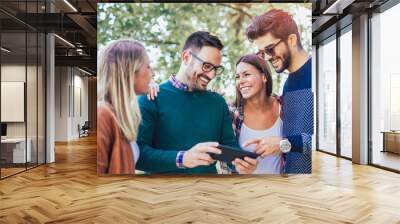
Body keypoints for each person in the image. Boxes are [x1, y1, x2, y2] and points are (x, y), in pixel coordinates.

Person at [136, 31, 258, 174]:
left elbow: (230, 148)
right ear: (186, 57)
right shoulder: (151, 97)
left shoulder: (217, 103)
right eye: (207, 66)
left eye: (216, 69)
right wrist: (183, 158)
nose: (211, 75)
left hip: (209, 193)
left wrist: (241, 164)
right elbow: (138, 156)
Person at [245, 9, 313, 173]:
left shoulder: (317, 74)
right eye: (262, 53)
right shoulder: (287, 85)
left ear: (291, 39)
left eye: (269, 49)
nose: (267, 58)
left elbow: (327, 142)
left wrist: (281, 144)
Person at [97, 39, 158, 175]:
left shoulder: (120, 115)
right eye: (148, 67)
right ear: (130, 71)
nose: (152, 73)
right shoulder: (103, 115)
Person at [229, 54, 283, 174]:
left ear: (264, 77)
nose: (240, 81)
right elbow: (225, 159)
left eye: (246, 75)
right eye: (237, 77)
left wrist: (283, 144)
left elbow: (307, 144)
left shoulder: (285, 106)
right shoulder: (231, 113)